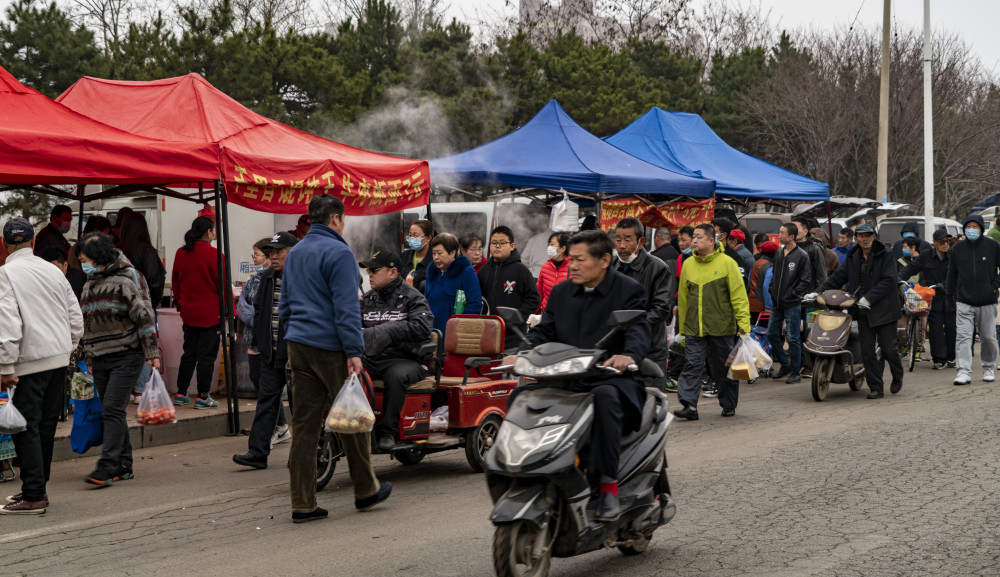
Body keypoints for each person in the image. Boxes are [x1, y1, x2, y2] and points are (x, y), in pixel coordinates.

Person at [500, 230, 651, 522]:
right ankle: (523, 468)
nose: (573, 266)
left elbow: (638, 329)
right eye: (571, 259)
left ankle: (608, 485)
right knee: (522, 395)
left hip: (611, 379)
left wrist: (628, 356)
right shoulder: (561, 292)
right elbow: (545, 330)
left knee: (603, 398)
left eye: (580, 260)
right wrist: (523, 352)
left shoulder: (628, 289)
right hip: (565, 378)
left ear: (604, 260)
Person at [281, 194, 392, 523]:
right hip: (330, 346)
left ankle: (302, 503)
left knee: (303, 427)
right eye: (343, 219)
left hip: (297, 346)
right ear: (335, 220)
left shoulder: (296, 252)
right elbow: (346, 308)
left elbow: (284, 305)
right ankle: (365, 488)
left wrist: (293, 338)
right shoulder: (339, 252)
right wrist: (354, 352)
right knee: (352, 416)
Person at [0, 218, 83, 514]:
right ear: (34, 242)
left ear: (4, 244)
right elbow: (75, 316)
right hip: (57, 358)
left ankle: (34, 494)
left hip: (28, 362)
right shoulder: (53, 270)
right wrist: (66, 347)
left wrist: (6, 366)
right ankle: (37, 488)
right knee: (45, 425)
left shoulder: (6, 274)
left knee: (25, 428)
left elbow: (7, 322)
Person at [74, 233, 160, 486]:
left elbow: (144, 317)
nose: (83, 264)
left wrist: (151, 353)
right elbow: (86, 321)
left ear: (99, 257)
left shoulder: (127, 280)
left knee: (112, 408)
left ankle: (107, 465)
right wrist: (87, 352)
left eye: (85, 259)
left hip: (126, 355)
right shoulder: (90, 283)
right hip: (99, 357)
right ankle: (123, 464)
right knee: (111, 410)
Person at [813, 224, 903, 398]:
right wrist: (817, 292)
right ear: (856, 238)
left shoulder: (886, 254)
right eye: (861, 236)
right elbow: (838, 277)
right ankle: (876, 387)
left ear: (874, 237)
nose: (865, 239)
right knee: (867, 351)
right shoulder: (853, 255)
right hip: (862, 310)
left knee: (889, 349)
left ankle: (898, 375)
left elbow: (890, 280)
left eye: (868, 235)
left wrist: (869, 297)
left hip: (884, 309)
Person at [233, 232, 299, 470]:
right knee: (266, 403)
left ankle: (302, 455)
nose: (274, 256)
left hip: (296, 356)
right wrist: (262, 344)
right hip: (270, 353)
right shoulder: (267, 277)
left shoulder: (303, 276)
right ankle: (257, 452)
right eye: (271, 252)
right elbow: (260, 313)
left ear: (293, 251)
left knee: (299, 406)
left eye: (279, 251)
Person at [358, 249, 434, 451]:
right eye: (368, 271)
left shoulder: (413, 297)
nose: (370, 275)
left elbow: (423, 327)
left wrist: (389, 331)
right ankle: (355, 423)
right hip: (372, 358)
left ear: (393, 272)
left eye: (374, 270)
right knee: (346, 367)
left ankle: (388, 431)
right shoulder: (368, 298)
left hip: (407, 359)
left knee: (395, 376)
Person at [673, 224, 751, 420]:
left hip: (721, 327)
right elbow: (683, 298)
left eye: (699, 237)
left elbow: (739, 297)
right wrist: (682, 327)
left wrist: (744, 326)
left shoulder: (727, 263)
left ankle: (728, 404)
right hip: (693, 328)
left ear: (711, 241)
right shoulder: (688, 264)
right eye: (694, 237)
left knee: (722, 368)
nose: (694, 241)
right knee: (692, 365)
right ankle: (689, 405)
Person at [614, 218, 674, 390]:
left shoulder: (658, 268)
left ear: (641, 242)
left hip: (650, 348)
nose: (622, 245)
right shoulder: (610, 265)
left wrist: (629, 324)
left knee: (650, 401)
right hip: (618, 349)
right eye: (618, 240)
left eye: (627, 239)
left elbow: (661, 309)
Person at [170, 216, 222, 409]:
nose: (215, 233)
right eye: (214, 230)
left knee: (189, 353)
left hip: (189, 313)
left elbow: (175, 281)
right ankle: (203, 396)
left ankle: (181, 393)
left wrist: (182, 302)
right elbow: (222, 287)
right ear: (208, 232)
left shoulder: (181, 253)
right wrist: (230, 312)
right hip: (210, 314)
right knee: (207, 357)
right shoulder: (215, 255)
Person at [946, 214, 1000, 386]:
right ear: (964, 229)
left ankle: (988, 367)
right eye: (968, 227)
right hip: (964, 300)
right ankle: (963, 371)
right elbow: (952, 273)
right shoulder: (957, 249)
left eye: (975, 227)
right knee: (963, 337)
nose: (971, 230)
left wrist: (994, 285)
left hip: (987, 300)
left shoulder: (993, 246)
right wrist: (949, 294)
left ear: (982, 229)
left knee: (988, 338)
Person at [899, 229, 955, 369]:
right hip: (932, 297)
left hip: (951, 298)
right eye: (942, 242)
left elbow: (957, 274)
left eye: (947, 241)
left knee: (952, 328)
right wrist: (899, 278)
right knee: (935, 329)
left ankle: (951, 356)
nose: (945, 244)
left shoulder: (954, 255)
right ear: (935, 243)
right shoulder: (926, 256)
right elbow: (911, 268)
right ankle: (939, 359)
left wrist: (944, 285)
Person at [478, 226, 540, 352]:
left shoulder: (521, 271)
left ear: (512, 246)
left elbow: (534, 299)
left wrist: (516, 318)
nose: (497, 246)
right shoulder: (484, 270)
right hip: (488, 336)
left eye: (502, 243)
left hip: (513, 339)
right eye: (494, 243)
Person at [768, 223, 813, 384]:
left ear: (791, 236)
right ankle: (785, 364)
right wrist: (772, 290)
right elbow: (774, 274)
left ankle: (796, 370)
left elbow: (805, 280)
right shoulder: (779, 253)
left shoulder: (801, 255)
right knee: (771, 334)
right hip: (777, 302)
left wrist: (793, 294)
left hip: (792, 303)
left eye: (782, 233)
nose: (779, 235)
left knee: (793, 337)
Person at [425, 233, 483, 345]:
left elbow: (475, 304)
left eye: (439, 253)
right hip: (432, 333)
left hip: (454, 335)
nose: (436, 257)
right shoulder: (432, 272)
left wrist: (458, 327)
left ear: (452, 252)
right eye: (433, 253)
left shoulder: (466, 272)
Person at [116, 212, 165, 310]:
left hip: (118, 304)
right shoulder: (147, 250)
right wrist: (152, 303)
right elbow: (154, 280)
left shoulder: (115, 249)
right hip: (141, 305)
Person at [791, 217, 828, 292]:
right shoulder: (787, 249)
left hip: (808, 296)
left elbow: (821, 276)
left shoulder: (814, 249)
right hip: (790, 296)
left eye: (796, 229)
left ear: (805, 231)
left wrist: (817, 294)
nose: (793, 231)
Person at [536, 231, 570, 313]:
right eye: (549, 244)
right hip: (547, 315)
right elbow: (538, 294)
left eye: (552, 244)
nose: (549, 247)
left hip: (566, 315)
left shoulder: (574, 267)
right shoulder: (545, 266)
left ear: (563, 248)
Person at [748, 240, 777, 323]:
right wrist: (768, 307)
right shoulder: (769, 266)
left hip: (752, 304)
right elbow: (766, 287)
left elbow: (749, 283)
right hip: (762, 306)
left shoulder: (755, 263)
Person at [401, 219, 433, 290]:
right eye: (410, 235)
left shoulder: (434, 259)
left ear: (428, 238)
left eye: (415, 236)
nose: (412, 239)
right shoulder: (404, 256)